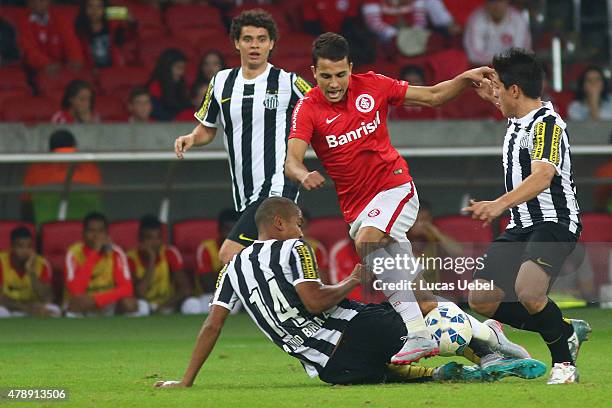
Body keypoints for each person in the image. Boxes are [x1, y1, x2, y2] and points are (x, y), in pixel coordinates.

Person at [154, 197, 545, 388]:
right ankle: (489, 337)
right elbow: (314, 300)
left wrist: (186, 381)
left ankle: (452, 370)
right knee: (422, 307)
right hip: (352, 332)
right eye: (298, 223)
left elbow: (211, 325)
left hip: (333, 371)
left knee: (399, 368)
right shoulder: (294, 248)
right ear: (279, 223)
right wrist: (353, 279)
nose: (302, 230)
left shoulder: (230, 270)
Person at [285, 32, 495, 364]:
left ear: (350, 68)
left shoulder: (374, 85)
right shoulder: (308, 108)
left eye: (341, 74)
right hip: (358, 208)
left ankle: (417, 335)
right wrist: (302, 173)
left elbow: (433, 96)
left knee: (367, 241)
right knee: (421, 296)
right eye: (326, 76)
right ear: (314, 72)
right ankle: (495, 339)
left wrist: (464, 79)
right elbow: (291, 159)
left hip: (394, 187)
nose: (335, 83)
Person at [466, 48, 591, 384]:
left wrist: (497, 205)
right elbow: (511, 108)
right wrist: (493, 95)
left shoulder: (547, 126)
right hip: (521, 225)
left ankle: (565, 366)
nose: (497, 96)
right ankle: (563, 328)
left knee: (529, 292)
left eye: (501, 88)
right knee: (481, 298)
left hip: (554, 221)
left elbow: (541, 177)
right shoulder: (520, 120)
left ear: (515, 90)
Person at [174, 9, 312, 266]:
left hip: (277, 186)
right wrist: (192, 138)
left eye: (261, 39)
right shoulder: (221, 82)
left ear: (271, 43)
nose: (255, 45)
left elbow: (322, 110)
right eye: (248, 39)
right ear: (237, 43)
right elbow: (207, 127)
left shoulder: (288, 82)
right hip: (246, 193)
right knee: (271, 261)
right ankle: (310, 302)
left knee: (230, 255)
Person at [21, 129, 103, 225]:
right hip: (88, 231)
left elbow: (25, 203)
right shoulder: (90, 165)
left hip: (46, 230)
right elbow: (99, 196)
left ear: (50, 148)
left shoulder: (36, 167)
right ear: (74, 145)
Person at [64, 212, 137, 317]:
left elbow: (127, 288)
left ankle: (120, 330)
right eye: (91, 231)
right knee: (76, 302)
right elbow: (76, 290)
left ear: (107, 233)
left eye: (100, 231)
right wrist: (94, 252)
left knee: (130, 303)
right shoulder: (73, 253)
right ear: (83, 234)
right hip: (84, 304)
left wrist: (98, 300)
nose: (96, 236)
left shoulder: (116, 252)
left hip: (106, 301)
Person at [127, 215, 194, 315]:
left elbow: (186, 289)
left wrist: (164, 306)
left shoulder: (169, 253)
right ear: (140, 239)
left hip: (167, 305)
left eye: (158, 238)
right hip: (144, 306)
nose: (154, 243)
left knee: (192, 303)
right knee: (141, 307)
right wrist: (152, 260)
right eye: (149, 238)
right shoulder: (130, 258)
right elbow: (140, 292)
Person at [0, 227, 60, 318]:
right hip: (10, 309)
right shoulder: (1, 262)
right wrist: (25, 307)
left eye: (29, 246)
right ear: (12, 247)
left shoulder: (42, 264)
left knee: (54, 309)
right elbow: (1, 299)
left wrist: (31, 272)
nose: (25, 251)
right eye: (20, 246)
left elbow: (47, 298)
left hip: (34, 309)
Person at [18, 0, 84, 74]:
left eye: (42, 1)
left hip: (62, 67)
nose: (37, 3)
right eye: (34, 0)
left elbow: (72, 43)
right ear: (28, 2)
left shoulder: (60, 18)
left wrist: (75, 59)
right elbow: (29, 50)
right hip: (34, 70)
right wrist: (46, 63)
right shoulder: (22, 21)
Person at [463, 0, 531, 66]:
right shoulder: (476, 19)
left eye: (500, 1)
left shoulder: (518, 20)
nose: (496, 5)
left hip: (512, 70)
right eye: (492, 1)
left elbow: (522, 53)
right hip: (483, 70)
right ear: (486, 2)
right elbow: (473, 55)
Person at [74, 0, 137, 69]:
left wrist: (130, 22)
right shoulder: (80, 29)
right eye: (90, 6)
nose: (94, 10)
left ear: (105, 9)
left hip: (113, 68)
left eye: (99, 7)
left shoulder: (112, 27)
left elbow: (128, 36)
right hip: (92, 71)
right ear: (84, 8)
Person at [147, 48, 191, 121]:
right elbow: (157, 112)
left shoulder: (181, 85)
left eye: (183, 68)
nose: (181, 73)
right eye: (178, 68)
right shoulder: (155, 86)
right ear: (167, 67)